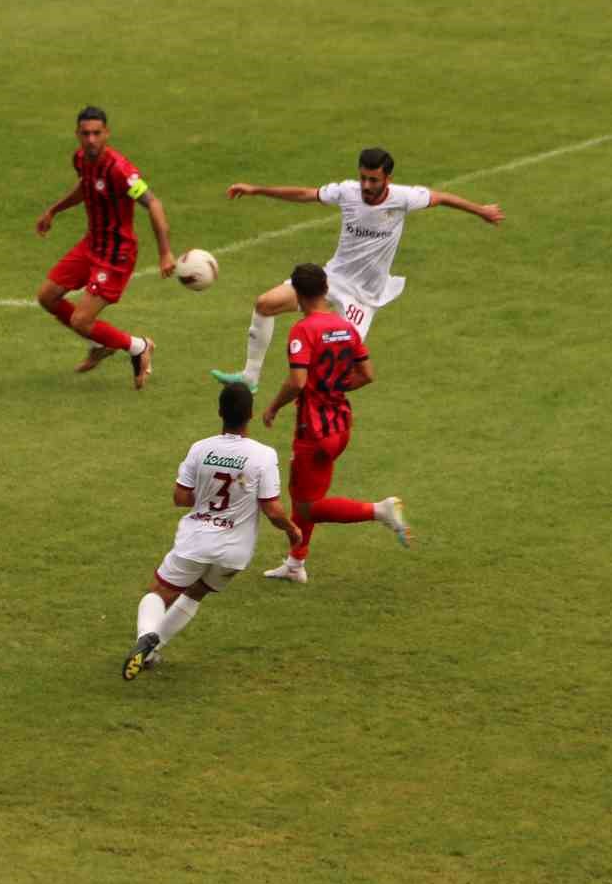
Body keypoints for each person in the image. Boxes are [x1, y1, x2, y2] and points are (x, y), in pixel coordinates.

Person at [211, 147, 504, 391]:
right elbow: (304, 193)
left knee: (349, 372)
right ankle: (250, 378)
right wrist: (257, 190)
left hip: (363, 299)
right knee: (265, 304)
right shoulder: (346, 192)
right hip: (331, 280)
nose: (366, 186)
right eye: (363, 178)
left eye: (373, 180)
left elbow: (441, 198)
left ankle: (320, 402)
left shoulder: (403, 197)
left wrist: (481, 211)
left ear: (387, 178)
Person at [121, 383, 302, 680]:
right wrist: (292, 530)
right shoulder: (264, 455)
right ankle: (152, 652)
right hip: (235, 552)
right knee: (196, 592)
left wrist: (205, 499)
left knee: (160, 592)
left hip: (197, 540)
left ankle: (146, 636)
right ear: (251, 415)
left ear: (220, 412)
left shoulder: (201, 448)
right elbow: (272, 509)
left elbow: (180, 497)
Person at [255, 263, 411, 587]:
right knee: (305, 496)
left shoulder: (303, 330)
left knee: (308, 506)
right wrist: (334, 388)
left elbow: (298, 382)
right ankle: (296, 563)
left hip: (314, 430)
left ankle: (380, 511)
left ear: (297, 295)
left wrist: (272, 407)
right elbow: (367, 374)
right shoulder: (347, 327)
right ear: (327, 289)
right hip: (341, 424)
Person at [36, 106, 176, 390]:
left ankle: (139, 347)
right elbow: (85, 187)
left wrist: (165, 252)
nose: (90, 140)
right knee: (47, 297)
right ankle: (98, 344)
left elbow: (154, 203)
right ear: (77, 134)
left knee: (80, 319)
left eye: (96, 133)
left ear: (107, 134)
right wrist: (54, 210)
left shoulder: (120, 170)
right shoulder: (80, 159)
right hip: (91, 244)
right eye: (85, 134)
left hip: (116, 255)